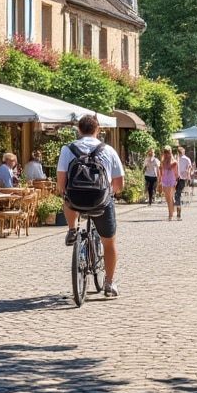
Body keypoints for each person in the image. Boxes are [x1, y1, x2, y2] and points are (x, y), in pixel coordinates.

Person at [57, 114, 125, 297]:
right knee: (109, 242)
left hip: (76, 201)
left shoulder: (68, 149)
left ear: (79, 130)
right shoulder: (108, 150)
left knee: (66, 196)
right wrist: (111, 193)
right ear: (98, 129)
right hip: (101, 201)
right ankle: (109, 284)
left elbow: (61, 183)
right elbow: (119, 183)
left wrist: (65, 192)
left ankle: (72, 229)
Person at [159, 146, 179, 221]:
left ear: (170, 152)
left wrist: (177, 180)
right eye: (165, 152)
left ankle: (170, 215)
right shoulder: (163, 161)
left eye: (168, 152)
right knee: (167, 198)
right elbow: (161, 172)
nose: (166, 154)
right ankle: (171, 211)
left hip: (171, 179)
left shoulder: (174, 161)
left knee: (170, 197)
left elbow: (176, 171)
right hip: (164, 179)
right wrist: (160, 181)